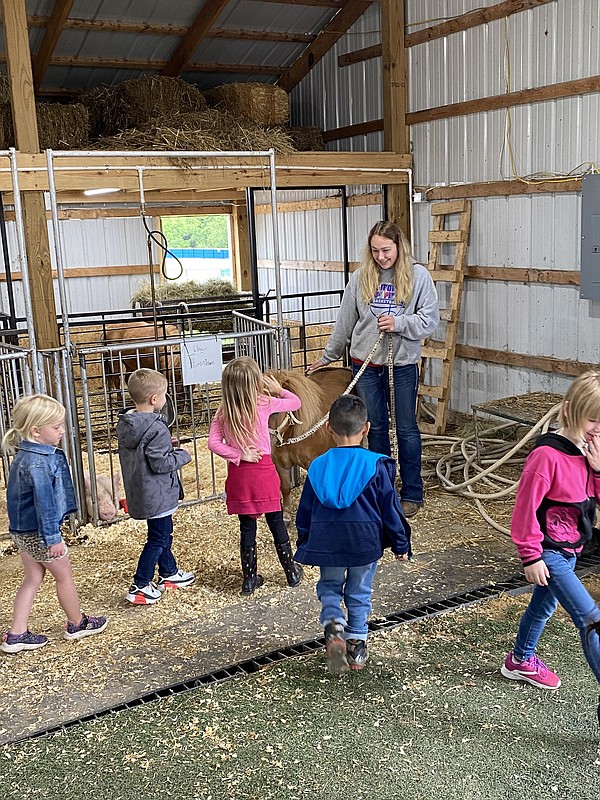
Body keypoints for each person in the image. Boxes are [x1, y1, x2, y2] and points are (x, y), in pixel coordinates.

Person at [307, 220, 439, 518]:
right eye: (375, 250)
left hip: (402, 363)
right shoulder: (361, 278)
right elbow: (345, 322)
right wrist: (328, 356)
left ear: (399, 246)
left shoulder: (418, 277)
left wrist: (400, 323)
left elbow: (430, 320)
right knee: (376, 427)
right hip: (365, 364)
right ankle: (383, 489)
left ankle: (412, 492)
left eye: (386, 250)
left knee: (406, 427)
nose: (381, 257)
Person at [501, 371, 600, 727]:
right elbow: (524, 508)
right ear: (571, 410)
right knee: (591, 620)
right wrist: (530, 555)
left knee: (543, 608)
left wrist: (598, 470)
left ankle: (520, 660)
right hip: (549, 552)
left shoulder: (590, 451)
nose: (598, 428)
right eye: (593, 419)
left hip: (572, 548)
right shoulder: (546, 455)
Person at [295, 394, 411, 674]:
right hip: (364, 543)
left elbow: (305, 510)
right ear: (367, 429)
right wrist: (401, 542)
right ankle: (356, 646)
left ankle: (334, 625)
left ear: (328, 429)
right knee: (359, 590)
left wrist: (305, 540)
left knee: (330, 587)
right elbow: (390, 509)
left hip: (328, 542)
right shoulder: (376, 465)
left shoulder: (317, 466)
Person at [1, 394, 108, 654]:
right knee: (64, 577)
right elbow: (45, 504)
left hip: (23, 531)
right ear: (36, 431)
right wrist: (53, 538)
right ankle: (77, 623)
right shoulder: (38, 463)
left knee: (33, 578)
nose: (62, 431)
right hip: (40, 532)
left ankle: (16, 634)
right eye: (56, 427)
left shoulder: (23, 456)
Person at [208, 356, 303, 594]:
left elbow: (212, 443)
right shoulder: (264, 402)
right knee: (276, 522)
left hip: (240, 475)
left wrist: (238, 454)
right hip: (263, 471)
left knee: (247, 527)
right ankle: (290, 571)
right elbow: (296, 402)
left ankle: (249, 580)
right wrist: (279, 389)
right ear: (254, 383)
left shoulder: (224, 410)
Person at [117, 368, 195, 605]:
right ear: (154, 399)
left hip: (142, 491)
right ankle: (140, 584)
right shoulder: (157, 427)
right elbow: (161, 463)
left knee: (161, 534)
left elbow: (145, 453)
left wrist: (164, 445)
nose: (165, 398)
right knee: (158, 538)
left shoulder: (127, 423)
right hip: (158, 493)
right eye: (164, 395)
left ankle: (169, 572)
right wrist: (182, 455)